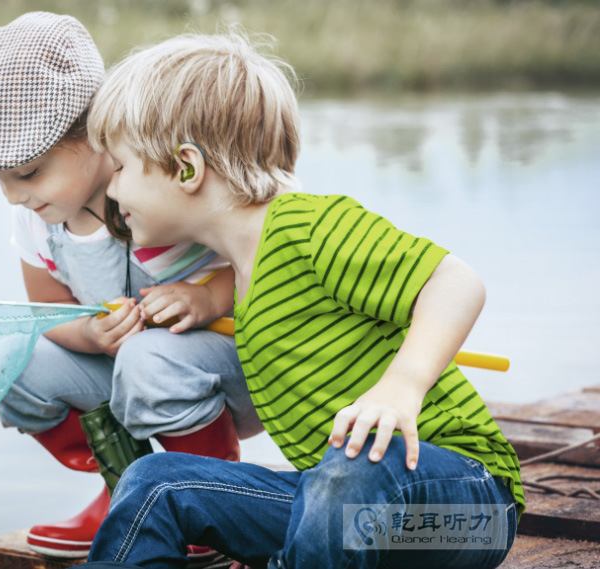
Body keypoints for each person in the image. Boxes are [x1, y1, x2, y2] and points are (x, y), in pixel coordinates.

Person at [79, 30, 525, 569]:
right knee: (153, 482)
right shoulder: (241, 275)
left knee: (354, 465)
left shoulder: (308, 227)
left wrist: (401, 387)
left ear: (187, 168)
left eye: (121, 168)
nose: (113, 191)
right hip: (340, 511)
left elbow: (457, 284)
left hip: (466, 515)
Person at [0, 13, 263, 560]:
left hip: (227, 374)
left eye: (30, 172)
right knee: (5, 358)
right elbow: (47, 310)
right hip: (132, 372)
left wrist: (205, 297)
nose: (14, 196)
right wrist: (90, 333)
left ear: (97, 132)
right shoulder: (37, 218)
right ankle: (125, 489)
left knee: (151, 359)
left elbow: (259, 254)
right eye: (0, 179)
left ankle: (211, 501)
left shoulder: (156, 184)